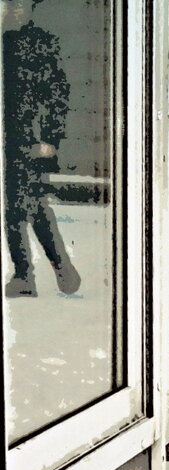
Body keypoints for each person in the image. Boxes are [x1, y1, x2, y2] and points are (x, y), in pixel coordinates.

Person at [3, 0, 79, 298]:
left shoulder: (42, 44)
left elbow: (57, 94)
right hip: (6, 138)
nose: (16, 9)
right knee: (10, 208)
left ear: (31, 9)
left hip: (30, 139)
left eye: (22, 4)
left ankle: (58, 266)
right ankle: (24, 276)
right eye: (11, 4)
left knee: (32, 204)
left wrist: (50, 138)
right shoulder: (4, 43)